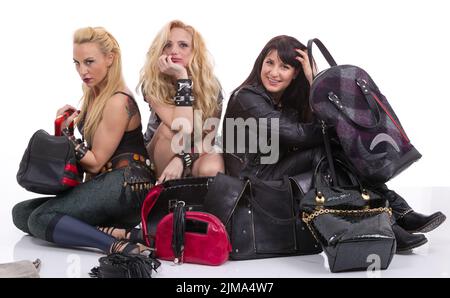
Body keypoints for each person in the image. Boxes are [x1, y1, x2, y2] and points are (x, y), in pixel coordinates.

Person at [222, 35, 446, 252]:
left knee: (333, 155)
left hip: (274, 171)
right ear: (260, 62)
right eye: (269, 63)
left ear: (295, 73)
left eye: (284, 67)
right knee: (328, 153)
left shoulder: (286, 102)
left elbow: (312, 129)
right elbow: (298, 134)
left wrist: (314, 81)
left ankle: (393, 217)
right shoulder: (246, 98)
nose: (273, 72)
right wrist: (339, 129)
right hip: (252, 178)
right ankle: (395, 218)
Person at [12, 27, 154, 256]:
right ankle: (118, 232)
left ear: (110, 58)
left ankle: (115, 245)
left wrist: (67, 136)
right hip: (108, 185)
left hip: (128, 187)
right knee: (21, 214)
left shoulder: (117, 101)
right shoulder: (95, 93)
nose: (82, 70)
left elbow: (96, 162)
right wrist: (63, 128)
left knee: (39, 220)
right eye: (77, 63)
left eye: (89, 62)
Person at [138, 20, 224, 183]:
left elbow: (208, 139)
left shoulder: (211, 86)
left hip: (193, 150)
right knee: (169, 131)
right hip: (156, 154)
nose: (174, 51)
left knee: (212, 164)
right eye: (167, 45)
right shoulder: (152, 83)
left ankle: (200, 207)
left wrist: (182, 159)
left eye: (183, 45)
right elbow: (182, 125)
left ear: (194, 52)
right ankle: (162, 196)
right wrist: (182, 78)